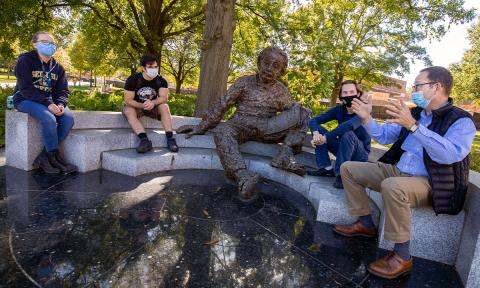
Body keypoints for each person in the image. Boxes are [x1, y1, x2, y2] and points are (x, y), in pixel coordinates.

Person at [334, 66, 476, 279]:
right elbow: (383, 135)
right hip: (398, 170)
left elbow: (449, 155)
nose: (413, 90)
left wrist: (414, 126)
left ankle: (402, 256)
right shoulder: (416, 113)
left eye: (418, 85)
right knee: (348, 169)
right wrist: (365, 118)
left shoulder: (461, 121)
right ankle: (365, 223)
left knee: (393, 186)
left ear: (436, 87)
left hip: (431, 182)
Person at [176, 47, 311, 200]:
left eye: (275, 66)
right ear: (259, 63)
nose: (269, 68)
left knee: (303, 112)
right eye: (266, 63)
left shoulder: (281, 91)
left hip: (267, 128)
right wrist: (201, 126)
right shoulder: (243, 82)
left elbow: (292, 116)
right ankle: (242, 175)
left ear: (281, 72)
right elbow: (222, 104)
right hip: (240, 125)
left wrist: (291, 143)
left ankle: (284, 157)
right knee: (222, 131)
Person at [13, 31, 76, 174]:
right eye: (45, 42)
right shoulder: (25, 61)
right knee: (49, 119)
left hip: (50, 102)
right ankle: (53, 156)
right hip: (25, 99)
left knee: (68, 120)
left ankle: (46, 156)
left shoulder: (58, 68)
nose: (50, 45)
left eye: (52, 43)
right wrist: (48, 104)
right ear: (35, 44)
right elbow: (26, 89)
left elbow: (63, 91)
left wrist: (60, 104)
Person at [307, 80, 371, 189]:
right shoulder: (339, 109)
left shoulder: (363, 110)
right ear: (341, 95)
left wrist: (325, 137)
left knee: (348, 134)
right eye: (345, 93)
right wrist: (316, 134)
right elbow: (313, 121)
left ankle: (342, 175)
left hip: (360, 155)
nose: (349, 95)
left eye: (352, 92)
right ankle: (326, 168)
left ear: (358, 94)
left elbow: (348, 126)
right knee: (318, 129)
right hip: (343, 149)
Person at [123, 54, 178, 153]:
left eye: (156, 67)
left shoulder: (161, 81)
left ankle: (170, 139)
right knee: (128, 110)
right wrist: (142, 105)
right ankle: (144, 140)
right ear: (143, 68)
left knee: (164, 106)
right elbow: (128, 100)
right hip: (137, 106)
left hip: (153, 106)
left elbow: (164, 98)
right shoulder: (133, 79)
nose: (154, 69)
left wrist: (152, 103)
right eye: (150, 67)